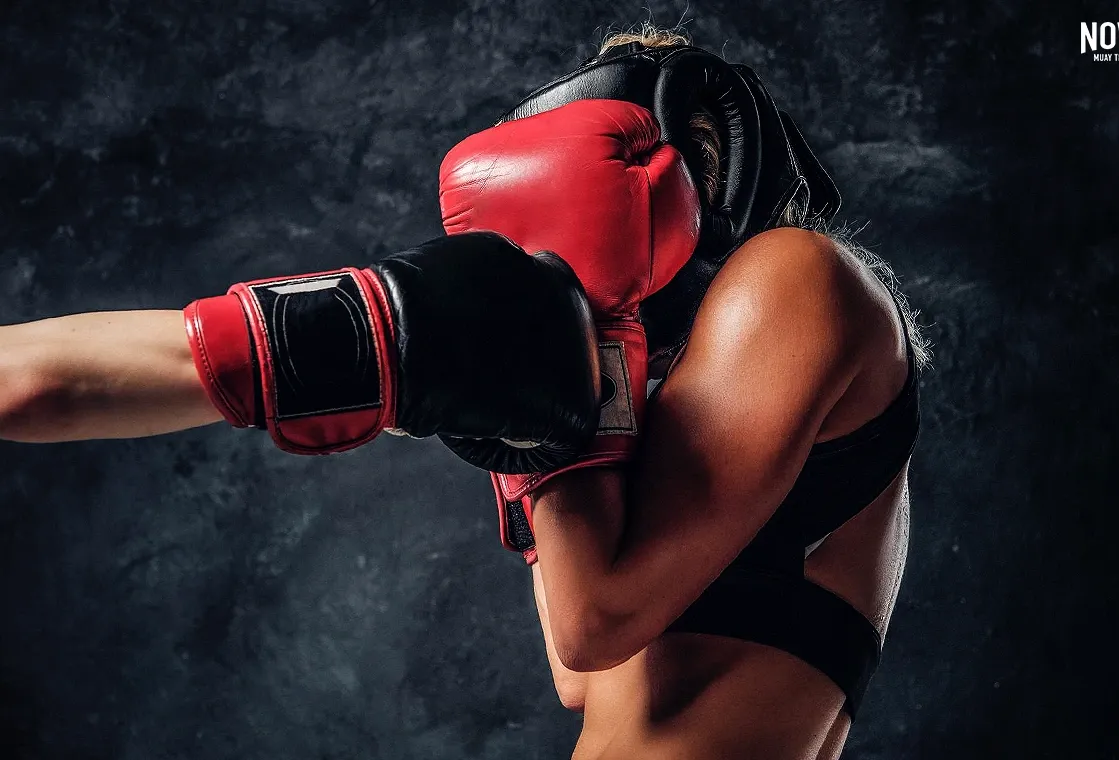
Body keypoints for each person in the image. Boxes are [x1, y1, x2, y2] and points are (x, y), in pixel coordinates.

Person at [0, 25, 927, 760]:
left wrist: (584, 356)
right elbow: (581, 678)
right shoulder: (639, 400)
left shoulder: (802, 277)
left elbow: (594, 624)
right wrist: (546, 381)